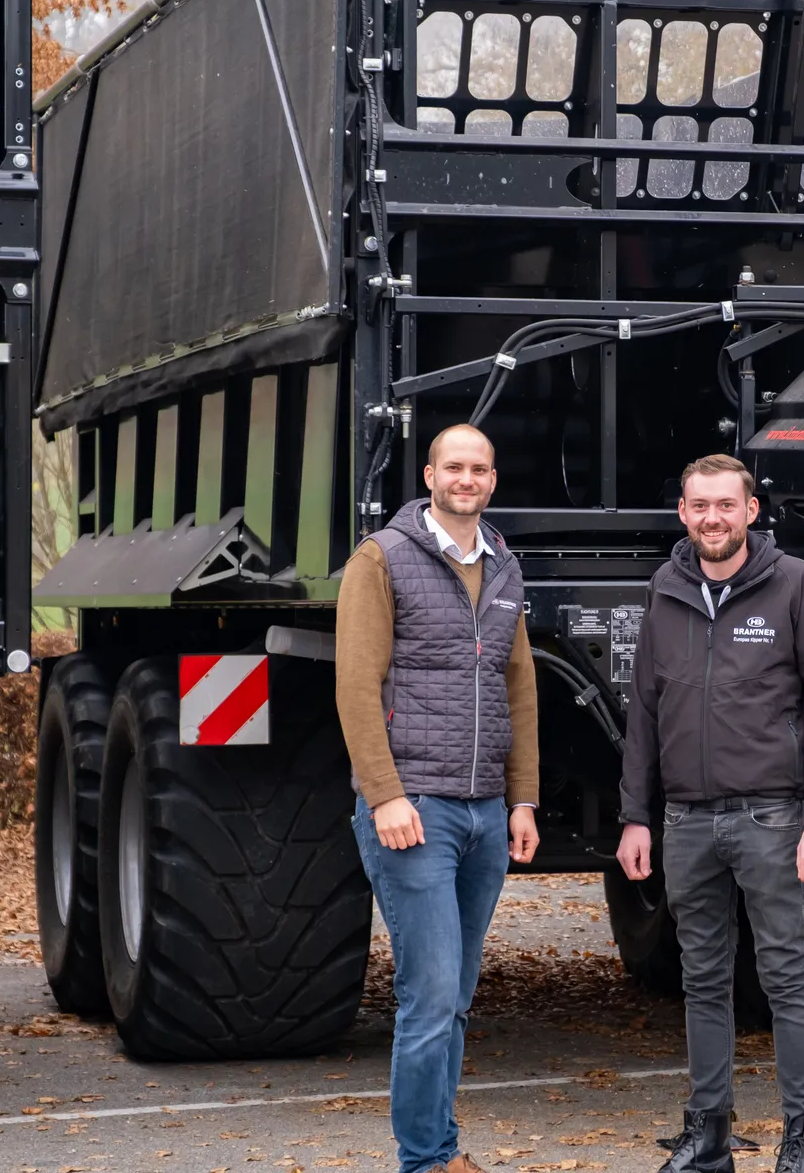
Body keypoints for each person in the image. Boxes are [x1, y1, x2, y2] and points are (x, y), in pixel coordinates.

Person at [615, 453, 804, 1173]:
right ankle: (708, 1133)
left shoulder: (794, 585)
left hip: (771, 820)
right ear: (682, 514)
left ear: (751, 511)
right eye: (698, 507)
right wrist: (635, 817)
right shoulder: (666, 588)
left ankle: (801, 1135)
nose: (712, 518)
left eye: (725, 505)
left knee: (784, 975)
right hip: (685, 821)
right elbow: (645, 715)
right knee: (702, 980)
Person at [336, 423, 541, 1173]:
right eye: (453, 466)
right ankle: (425, 1160)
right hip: (414, 809)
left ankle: (441, 1150)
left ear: (492, 479)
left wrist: (522, 801)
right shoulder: (381, 560)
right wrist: (385, 796)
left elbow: (519, 684)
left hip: (486, 811)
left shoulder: (504, 563)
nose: (467, 478)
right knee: (428, 999)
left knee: (453, 996)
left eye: (479, 468)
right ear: (429, 474)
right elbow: (356, 686)